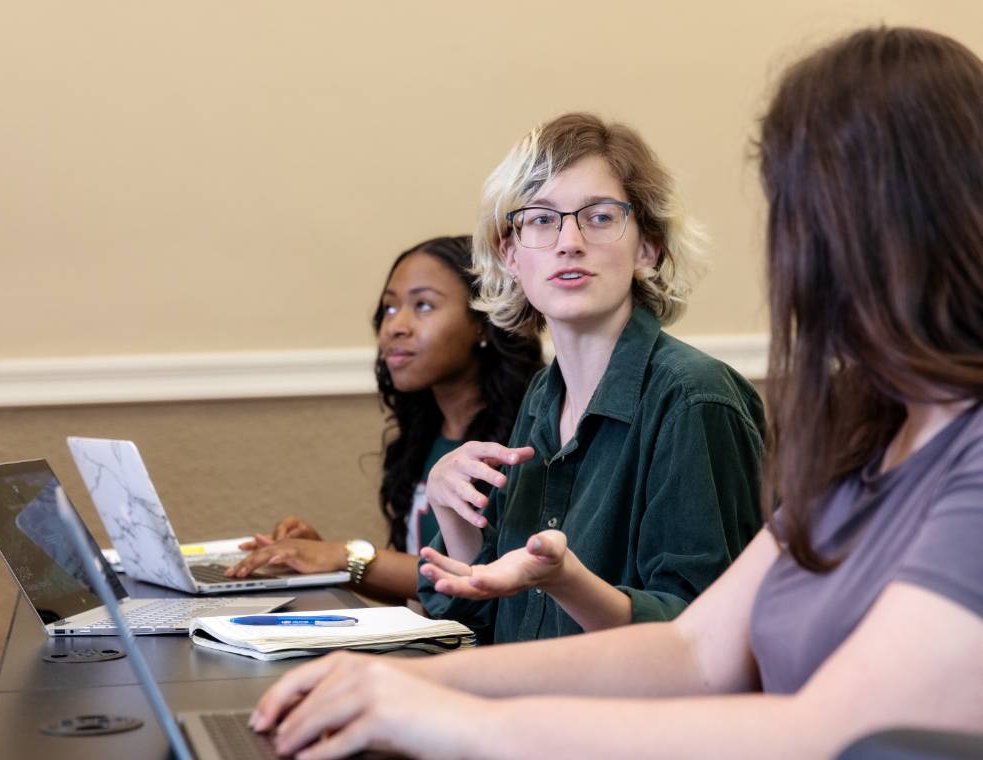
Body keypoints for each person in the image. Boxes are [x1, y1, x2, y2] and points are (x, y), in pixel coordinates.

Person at [250, 27, 983, 759]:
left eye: (804, 212)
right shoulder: (867, 436)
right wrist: (401, 685)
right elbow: (694, 653)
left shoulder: (708, 399)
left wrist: (450, 716)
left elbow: (834, 732)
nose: (791, 253)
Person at [410, 112, 765, 643]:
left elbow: (703, 639)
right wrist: (449, 506)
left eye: (599, 217)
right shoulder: (542, 398)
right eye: (541, 219)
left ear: (647, 248)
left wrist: (566, 582)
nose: (569, 241)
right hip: (526, 709)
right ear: (510, 254)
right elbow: (486, 621)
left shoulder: (695, 399)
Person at [225, 235, 543, 601]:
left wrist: (346, 558)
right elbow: (426, 588)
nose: (395, 327)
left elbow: (492, 581)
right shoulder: (423, 436)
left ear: (482, 321)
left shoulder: (525, 441)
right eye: (390, 309)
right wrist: (317, 557)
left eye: (423, 305)